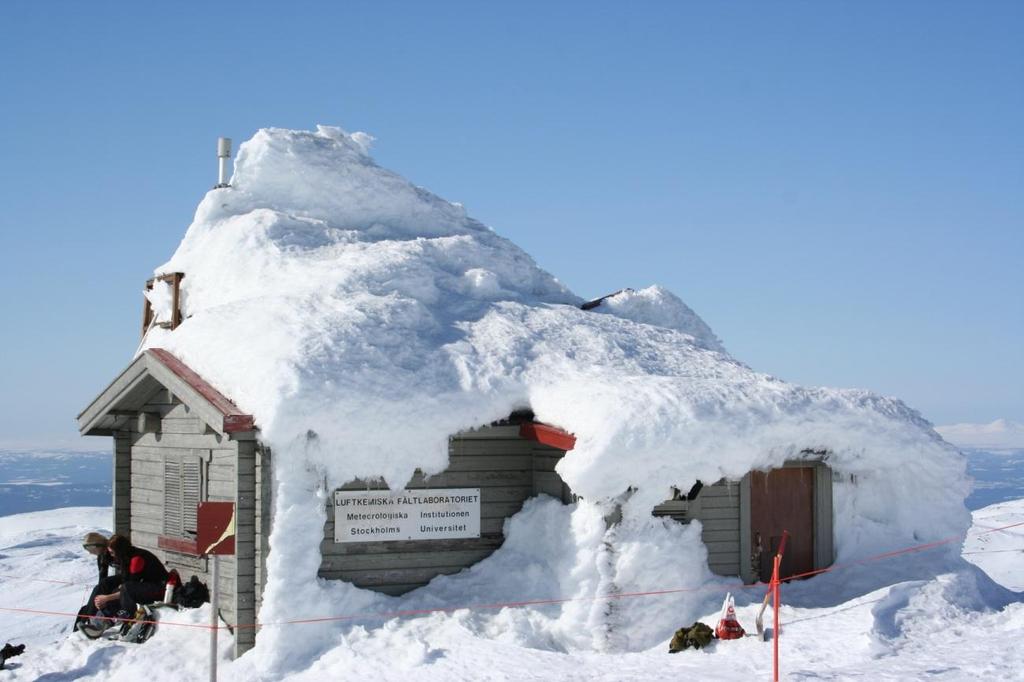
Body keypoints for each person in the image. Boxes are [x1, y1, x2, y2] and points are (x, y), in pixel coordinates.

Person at [73, 532, 122, 633]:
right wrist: (99, 600)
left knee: (103, 585)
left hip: (129, 577)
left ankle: (88, 619)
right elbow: (102, 578)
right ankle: (79, 629)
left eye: (91, 549)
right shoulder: (102, 556)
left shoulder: (113, 550)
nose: (90, 553)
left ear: (98, 545)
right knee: (85, 608)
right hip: (118, 580)